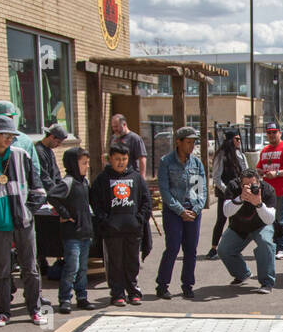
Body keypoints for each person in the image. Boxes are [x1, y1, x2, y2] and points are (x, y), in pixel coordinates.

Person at [0, 115, 47, 327]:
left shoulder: (22, 156)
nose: (9, 139)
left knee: (30, 267)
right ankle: (3, 312)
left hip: (24, 222)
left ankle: (35, 309)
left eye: (12, 136)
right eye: (5, 135)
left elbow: (38, 189)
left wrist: (29, 211)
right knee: (2, 270)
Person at [91, 142, 153, 306]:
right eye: (117, 159)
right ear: (110, 158)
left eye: (124, 159)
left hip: (133, 229)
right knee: (115, 263)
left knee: (132, 262)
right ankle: (117, 293)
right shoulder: (102, 179)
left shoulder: (136, 177)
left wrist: (139, 219)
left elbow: (146, 201)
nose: (121, 162)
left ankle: (133, 291)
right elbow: (95, 204)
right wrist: (106, 221)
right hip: (112, 231)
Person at [156, 127, 207, 300]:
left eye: (193, 142)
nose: (191, 146)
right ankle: (162, 285)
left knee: (191, 249)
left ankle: (187, 285)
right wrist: (180, 210)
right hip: (173, 211)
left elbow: (201, 190)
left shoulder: (196, 163)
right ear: (178, 142)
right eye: (188, 142)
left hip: (192, 211)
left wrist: (195, 209)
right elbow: (165, 191)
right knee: (172, 248)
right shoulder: (166, 162)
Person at [48, 146, 97, 314]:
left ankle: (82, 296)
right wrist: (64, 213)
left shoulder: (84, 181)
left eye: (87, 163)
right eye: (83, 163)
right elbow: (52, 196)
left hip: (85, 232)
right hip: (72, 234)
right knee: (71, 267)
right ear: (73, 164)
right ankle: (65, 299)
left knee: (83, 268)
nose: (86, 166)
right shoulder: (68, 181)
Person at [218, 168, 277, 294]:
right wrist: (240, 198)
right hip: (239, 227)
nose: (250, 188)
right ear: (240, 184)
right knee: (223, 249)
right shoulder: (233, 187)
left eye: (253, 185)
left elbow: (270, 219)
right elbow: (226, 212)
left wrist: (259, 204)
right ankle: (242, 274)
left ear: (259, 182)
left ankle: (267, 283)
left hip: (261, 225)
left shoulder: (268, 190)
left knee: (265, 243)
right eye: (246, 185)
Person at [258, 123, 283, 259]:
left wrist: (277, 173)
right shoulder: (265, 150)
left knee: (282, 221)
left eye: (274, 132)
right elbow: (258, 168)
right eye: (269, 132)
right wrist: (261, 172)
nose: (271, 135)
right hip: (268, 194)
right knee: (270, 221)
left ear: (280, 133)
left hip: (282, 192)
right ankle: (274, 246)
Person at [207, 129, 246, 259]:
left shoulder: (240, 154)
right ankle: (214, 248)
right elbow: (217, 178)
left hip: (237, 193)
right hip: (225, 194)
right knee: (221, 219)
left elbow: (245, 172)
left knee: (235, 221)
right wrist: (227, 191)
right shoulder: (221, 155)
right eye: (237, 139)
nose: (239, 141)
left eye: (240, 139)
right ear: (230, 140)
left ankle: (230, 248)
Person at [35, 124, 68, 193]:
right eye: (58, 142)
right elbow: (43, 177)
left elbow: (56, 173)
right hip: (43, 193)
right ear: (51, 136)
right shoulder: (39, 152)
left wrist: (60, 188)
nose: (59, 145)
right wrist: (55, 191)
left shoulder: (50, 151)